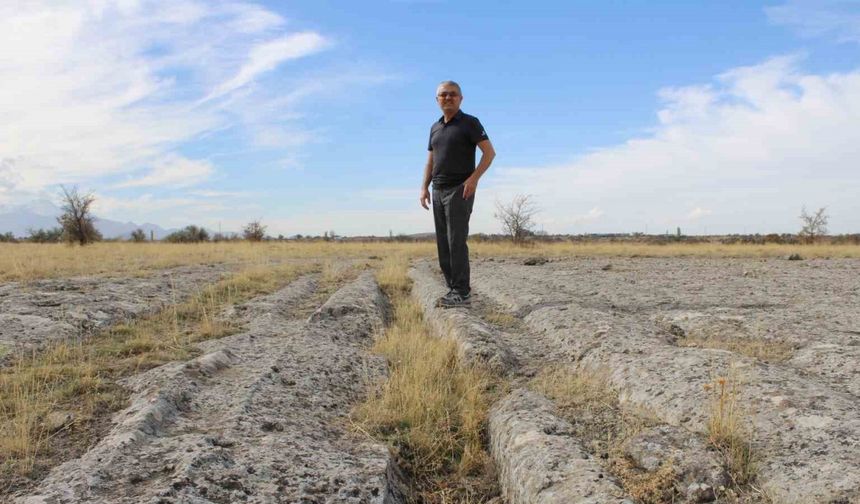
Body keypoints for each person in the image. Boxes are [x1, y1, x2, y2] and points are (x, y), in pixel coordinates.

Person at [419, 80, 496, 308]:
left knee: (456, 241)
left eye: (452, 94)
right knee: (443, 243)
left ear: (460, 98)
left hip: (459, 190)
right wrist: (424, 187)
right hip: (437, 190)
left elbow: (489, 153)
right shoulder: (435, 127)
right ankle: (452, 289)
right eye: (443, 95)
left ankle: (462, 292)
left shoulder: (470, 123)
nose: (448, 98)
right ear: (437, 100)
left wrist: (473, 179)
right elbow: (431, 160)